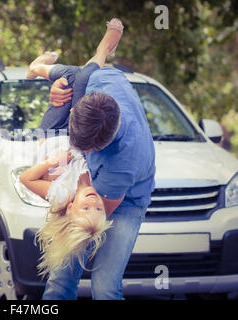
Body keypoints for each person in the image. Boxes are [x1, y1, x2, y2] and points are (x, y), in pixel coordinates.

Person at [28, 18, 156, 300]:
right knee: (60, 281)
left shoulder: (122, 163)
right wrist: (52, 86)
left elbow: (94, 213)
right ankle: (37, 67)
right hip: (82, 195)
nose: (79, 150)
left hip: (124, 202)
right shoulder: (100, 80)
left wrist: (70, 210)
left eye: (85, 148)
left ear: (101, 146)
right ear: (77, 111)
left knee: (105, 287)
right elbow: (90, 63)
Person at [19, 136, 113, 278]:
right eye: (99, 209)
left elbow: (26, 178)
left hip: (54, 136)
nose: (93, 203)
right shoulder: (100, 185)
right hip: (76, 135)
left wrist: (54, 161)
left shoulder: (62, 195)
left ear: (69, 208)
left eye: (86, 209)